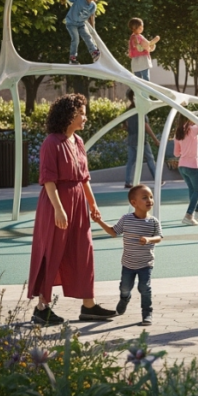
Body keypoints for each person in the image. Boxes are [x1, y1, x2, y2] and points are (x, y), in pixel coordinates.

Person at [29, 94, 117, 325]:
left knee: (83, 251)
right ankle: (41, 308)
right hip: (56, 204)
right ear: (69, 115)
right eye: (82, 113)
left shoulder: (77, 142)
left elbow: (84, 178)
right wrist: (58, 209)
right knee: (52, 252)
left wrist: (93, 204)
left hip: (78, 203)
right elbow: (48, 180)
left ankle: (89, 306)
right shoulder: (51, 143)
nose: (85, 117)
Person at [92, 185, 163, 327]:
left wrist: (149, 239)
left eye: (150, 197)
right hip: (128, 264)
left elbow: (159, 237)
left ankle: (147, 313)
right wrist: (99, 221)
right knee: (125, 287)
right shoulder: (126, 219)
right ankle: (124, 298)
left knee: (145, 288)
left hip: (146, 264)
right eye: (144, 198)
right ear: (134, 203)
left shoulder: (154, 221)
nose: (149, 200)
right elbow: (113, 232)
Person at [173, 115, 198, 226]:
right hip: (192, 165)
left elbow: (176, 153)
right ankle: (189, 215)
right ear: (188, 118)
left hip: (182, 166)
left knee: (193, 190)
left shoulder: (178, 133)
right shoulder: (192, 130)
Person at [123, 89, 158, 188]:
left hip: (131, 140)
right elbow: (146, 126)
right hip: (141, 140)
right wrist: (155, 139)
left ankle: (128, 181)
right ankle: (157, 179)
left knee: (131, 161)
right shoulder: (140, 109)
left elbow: (126, 125)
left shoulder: (129, 110)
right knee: (150, 159)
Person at [64, 0, 101, 64]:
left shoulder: (93, 5)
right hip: (71, 23)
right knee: (76, 39)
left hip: (81, 24)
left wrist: (93, 29)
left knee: (87, 36)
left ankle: (94, 53)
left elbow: (91, 17)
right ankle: (72, 58)